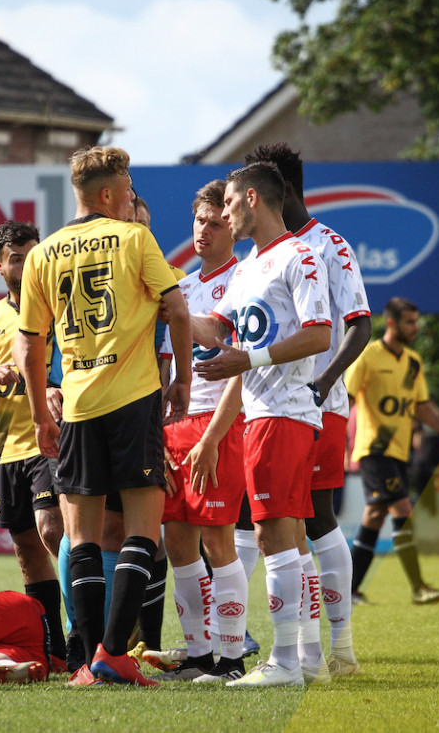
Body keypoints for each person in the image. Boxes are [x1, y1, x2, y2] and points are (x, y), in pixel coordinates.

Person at [13, 145, 192, 687]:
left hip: (77, 405)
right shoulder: (136, 237)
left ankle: (87, 662)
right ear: (110, 193)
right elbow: (177, 309)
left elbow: (28, 343)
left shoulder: (44, 253)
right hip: (135, 399)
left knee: (81, 538)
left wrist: (40, 404)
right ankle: (116, 653)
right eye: (129, 186)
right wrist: (181, 378)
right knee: (143, 530)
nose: (132, 195)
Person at [185, 161, 332, 687]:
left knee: (273, 538)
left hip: (286, 412)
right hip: (259, 414)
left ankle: (285, 664)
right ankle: (306, 660)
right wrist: (168, 306)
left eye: (227, 205)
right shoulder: (249, 267)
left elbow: (319, 335)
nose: (222, 215)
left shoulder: (300, 255)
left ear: (252, 198)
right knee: (287, 537)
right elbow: (213, 327)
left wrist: (249, 361)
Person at [244, 142, 369, 679]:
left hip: (320, 402)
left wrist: (323, 383)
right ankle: (308, 655)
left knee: (315, 521)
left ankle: (340, 650)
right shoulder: (262, 255)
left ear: (282, 192)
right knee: (284, 525)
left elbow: (359, 324)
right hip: (269, 407)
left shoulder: (329, 246)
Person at [149, 180, 249, 683]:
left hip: (223, 423)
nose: (205, 230)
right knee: (179, 542)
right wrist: (161, 433)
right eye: (199, 222)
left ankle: (232, 659)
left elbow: (244, 366)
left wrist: (212, 437)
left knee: (218, 542)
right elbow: (166, 367)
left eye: (215, 221)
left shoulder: (249, 278)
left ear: (233, 225)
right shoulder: (181, 287)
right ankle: (199, 656)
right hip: (176, 427)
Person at [0, 220, 67, 665]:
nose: (26, 264)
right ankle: (53, 648)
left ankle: (86, 635)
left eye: (33, 254)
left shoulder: (61, 305)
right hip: (9, 448)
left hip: (54, 441)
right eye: (17, 257)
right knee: (27, 552)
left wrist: (60, 386)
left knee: (54, 532)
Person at [345, 297, 439, 606]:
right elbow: (347, 398)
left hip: (399, 451)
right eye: (409, 321)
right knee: (402, 510)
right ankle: (419, 587)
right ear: (391, 322)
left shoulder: (413, 362)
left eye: (416, 321)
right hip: (374, 449)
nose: (415, 327)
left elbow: (420, 405)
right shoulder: (367, 356)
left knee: (375, 515)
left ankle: (348, 590)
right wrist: (334, 440)